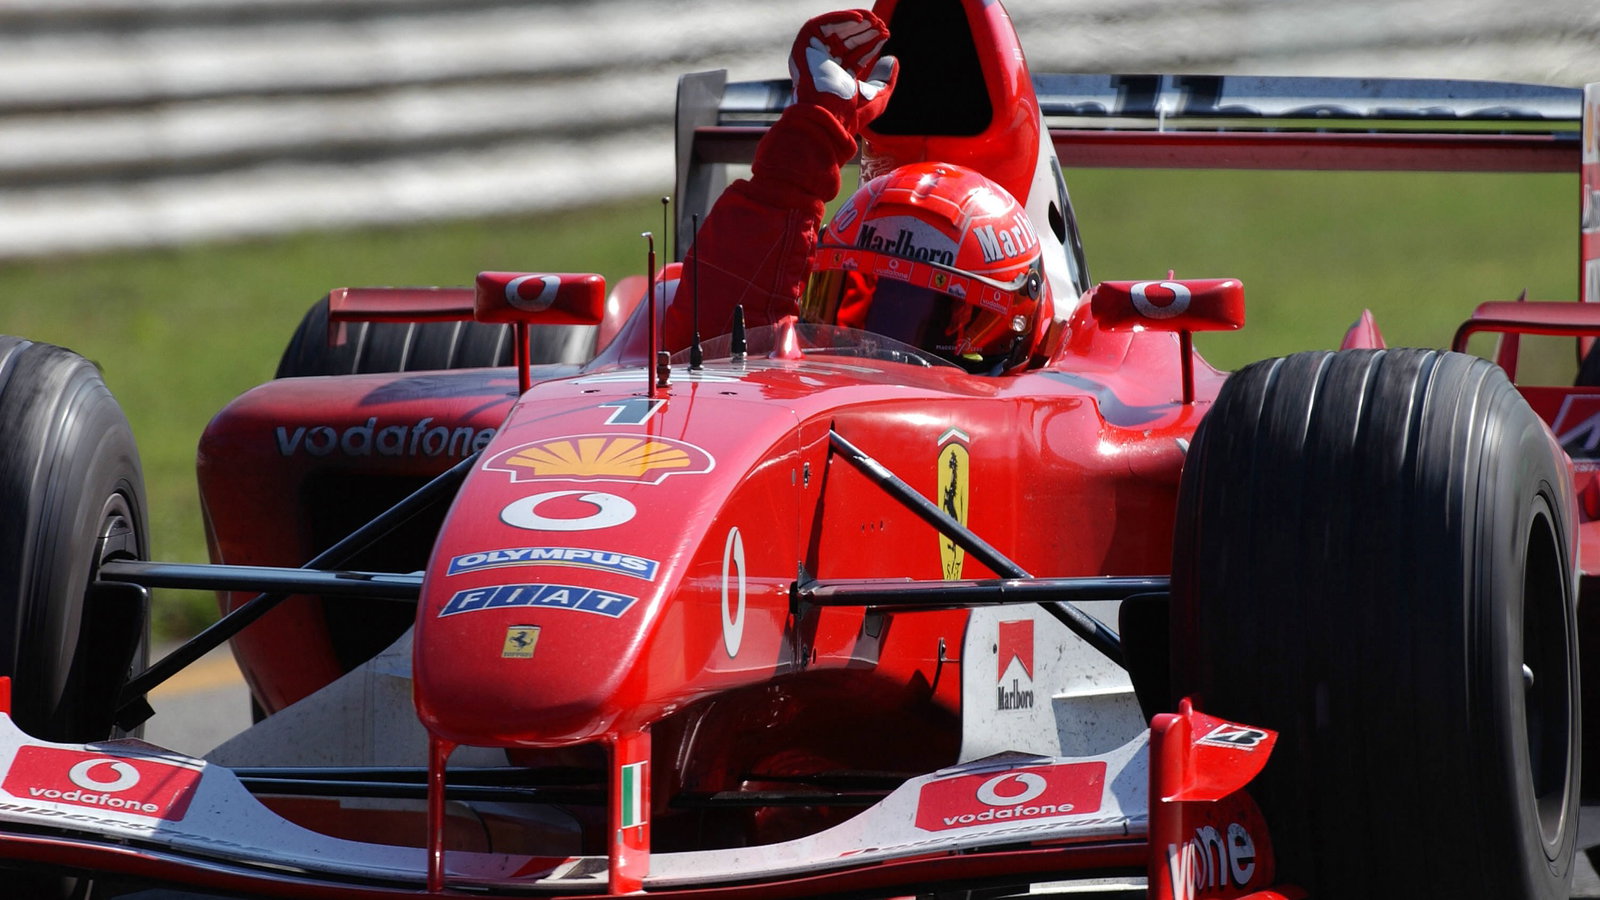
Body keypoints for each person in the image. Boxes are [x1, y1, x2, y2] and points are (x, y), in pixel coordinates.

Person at [664, 8, 1052, 374]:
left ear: (1007, 330)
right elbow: (717, 354)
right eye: (847, 311)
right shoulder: (806, 378)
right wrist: (806, 146)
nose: (869, 350)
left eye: (921, 319)